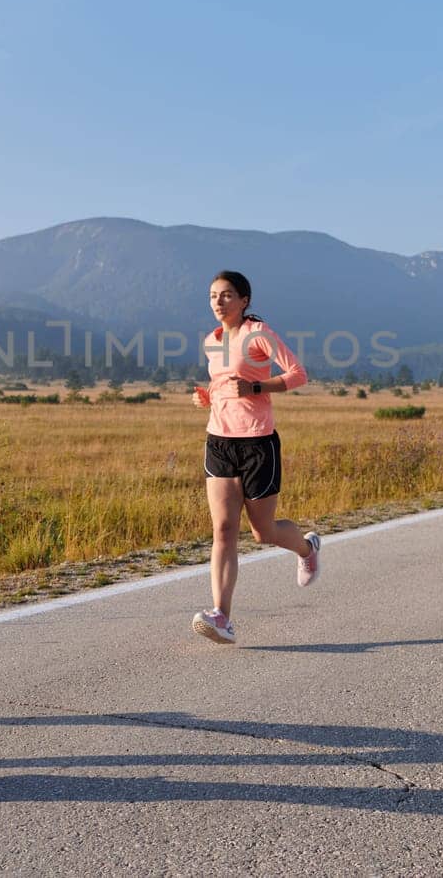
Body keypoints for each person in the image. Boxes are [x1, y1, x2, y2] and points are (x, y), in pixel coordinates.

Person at [190, 270, 319, 644]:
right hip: (219, 441)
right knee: (224, 529)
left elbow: (297, 374)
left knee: (263, 532)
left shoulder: (258, 334)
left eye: (227, 295)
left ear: (244, 300)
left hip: (258, 443)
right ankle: (222, 617)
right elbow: (222, 385)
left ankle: (307, 548)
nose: (219, 302)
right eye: (214, 295)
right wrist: (207, 398)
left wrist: (256, 386)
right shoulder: (212, 341)